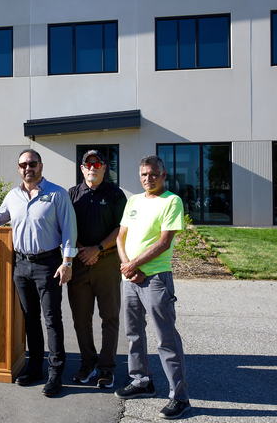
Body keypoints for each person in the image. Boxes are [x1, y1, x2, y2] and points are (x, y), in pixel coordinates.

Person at [0, 149, 77, 397]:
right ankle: (35, 368)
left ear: (41, 166)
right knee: (30, 318)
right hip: (20, 265)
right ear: (18, 168)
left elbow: (69, 230)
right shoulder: (13, 195)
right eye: (23, 164)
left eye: (32, 163)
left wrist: (67, 262)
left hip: (48, 264)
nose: (28, 167)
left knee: (52, 320)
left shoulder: (57, 194)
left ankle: (55, 373)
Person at [114, 155, 190, 420]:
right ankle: (141, 381)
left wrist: (134, 264)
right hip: (130, 279)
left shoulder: (172, 201)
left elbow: (164, 242)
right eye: (144, 174)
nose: (148, 178)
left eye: (153, 174)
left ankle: (179, 397)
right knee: (133, 333)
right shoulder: (133, 201)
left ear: (163, 175)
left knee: (165, 338)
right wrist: (128, 267)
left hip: (156, 278)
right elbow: (120, 236)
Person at [67, 150, 126, 389]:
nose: (92, 167)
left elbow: (122, 229)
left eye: (97, 164)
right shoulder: (72, 194)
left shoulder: (115, 194)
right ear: (82, 168)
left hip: (107, 265)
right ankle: (87, 363)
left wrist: (98, 249)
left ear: (104, 168)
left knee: (109, 318)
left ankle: (106, 368)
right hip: (79, 264)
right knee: (81, 319)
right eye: (88, 164)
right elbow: (66, 225)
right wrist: (83, 249)